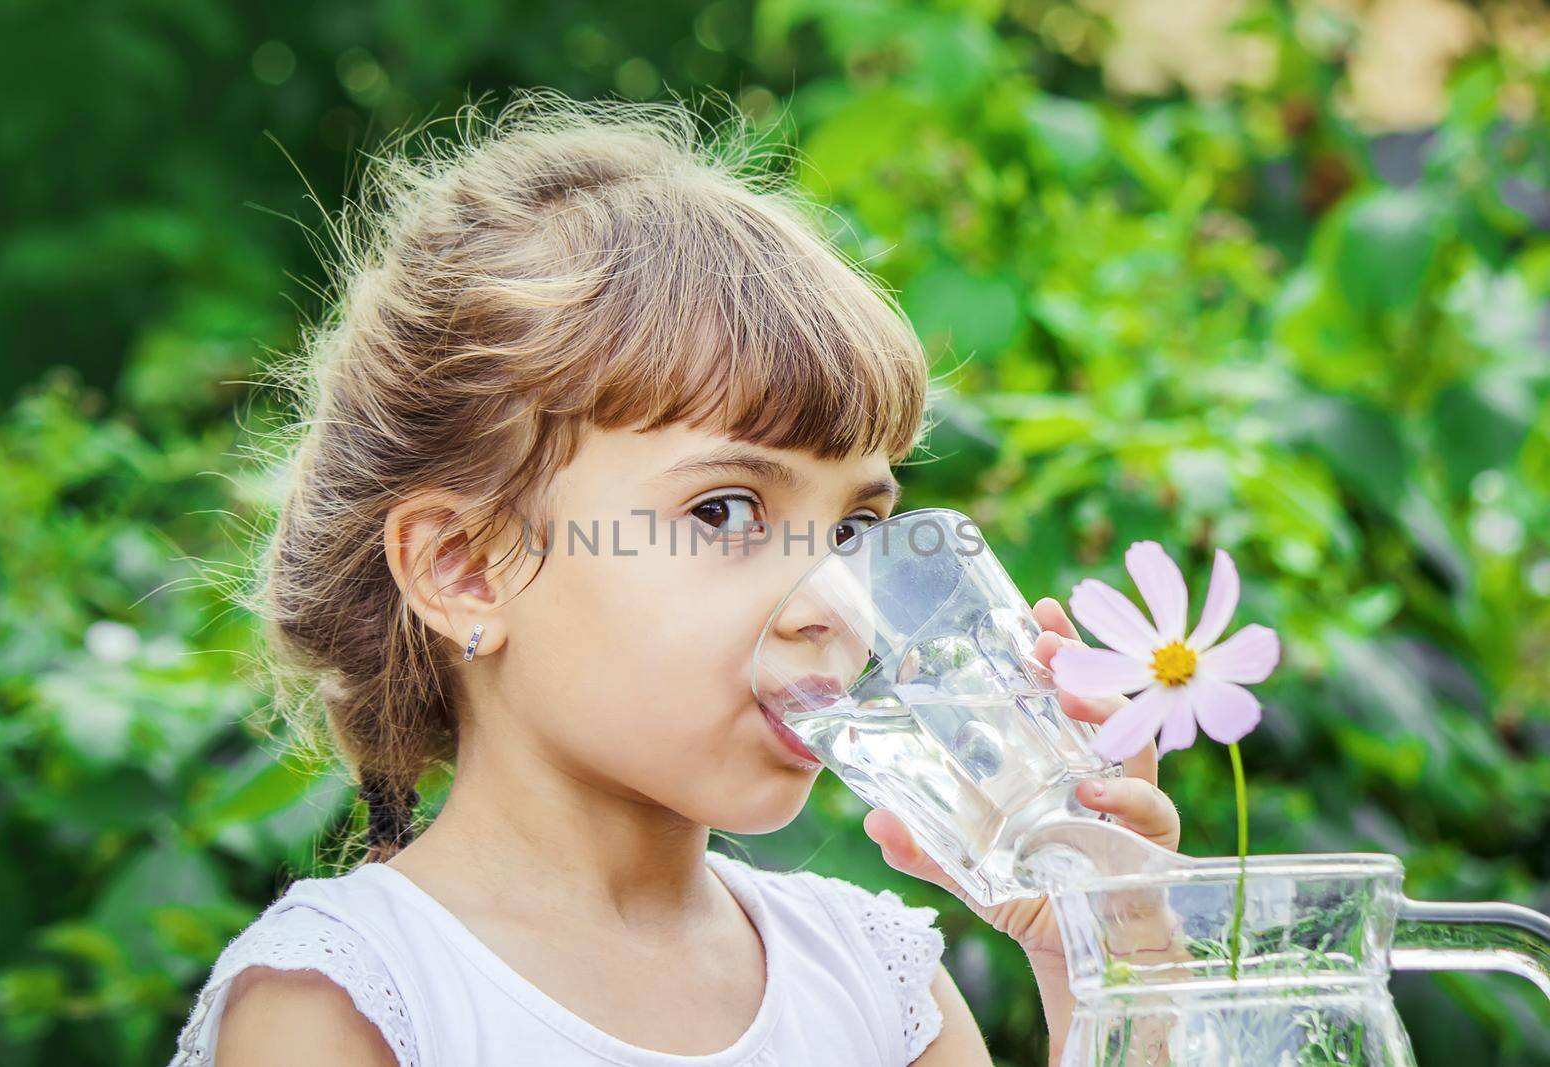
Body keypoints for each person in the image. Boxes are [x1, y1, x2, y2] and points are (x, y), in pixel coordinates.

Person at [168, 89, 1180, 1067]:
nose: (836, 604)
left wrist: (1103, 958)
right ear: (466, 569)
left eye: (858, 526)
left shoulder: (879, 986)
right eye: (726, 510)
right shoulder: (351, 1000)